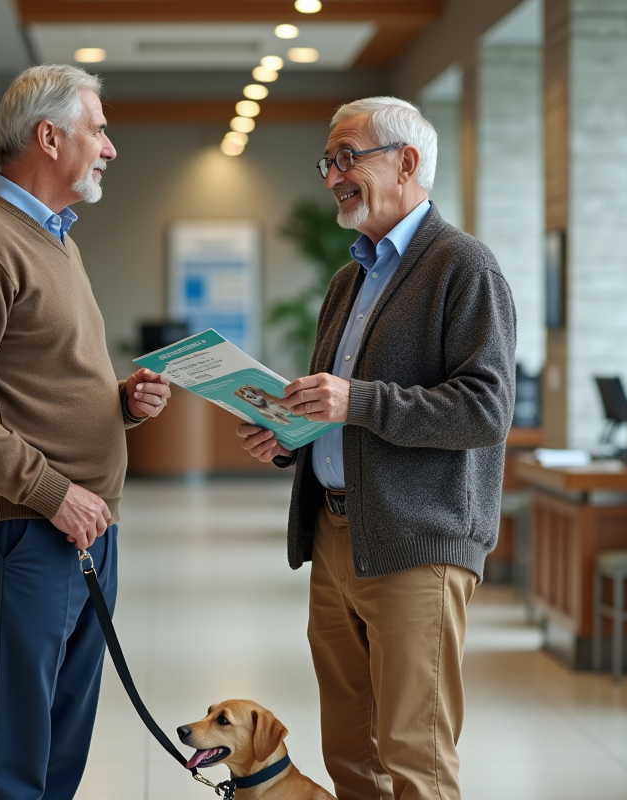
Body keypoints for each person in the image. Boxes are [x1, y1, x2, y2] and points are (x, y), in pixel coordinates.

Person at [237, 97, 517, 800]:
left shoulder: (463, 266)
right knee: (349, 755)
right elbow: (335, 408)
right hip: (336, 537)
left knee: (414, 758)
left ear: (407, 161)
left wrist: (357, 401)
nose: (333, 176)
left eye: (347, 158)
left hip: (416, 543)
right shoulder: (350, 280)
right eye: (327, 162)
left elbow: (485, 409)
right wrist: (287, 435)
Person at [0, 64, 171, 800]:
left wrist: (121, 403)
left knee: (59, 750)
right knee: (11, 754)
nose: (110, 148)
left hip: (82, 528)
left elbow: (35, 378)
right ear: (49, 138)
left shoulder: (56, 239)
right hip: (23, 531)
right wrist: (52, 493)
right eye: (99, 130)